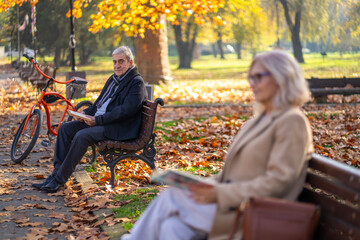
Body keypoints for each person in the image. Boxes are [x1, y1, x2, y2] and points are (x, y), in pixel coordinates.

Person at [121, 50, 313, 240]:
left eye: (259, 77)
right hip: (233, 205)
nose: (252, 84)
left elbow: (279, 182)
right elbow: (231, 175)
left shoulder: (291, 121)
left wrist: (219, 194)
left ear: (282, 77)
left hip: (256, 213)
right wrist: (203, 186)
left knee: (171, 197)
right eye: (250, 78)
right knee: (173, 228)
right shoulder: (259, 119)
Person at [32, 46, 148, 193]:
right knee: (64, 128)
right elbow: (98, 103)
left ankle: (59, 180)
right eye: (114, 62)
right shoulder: (114, 79)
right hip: (102, 122)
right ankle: (56, 174)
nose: (117, 65)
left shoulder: (136, 82)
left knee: (82, 135)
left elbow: (125, 112)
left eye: (121, 62)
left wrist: (97, 120)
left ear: (130, 62)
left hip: (119, 128)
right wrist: (85, 114)